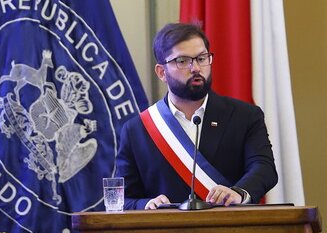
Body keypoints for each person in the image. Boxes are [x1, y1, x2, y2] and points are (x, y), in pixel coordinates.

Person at [114, 22, 278, 210]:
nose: (196, 68)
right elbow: (124, 200)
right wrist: (146, 205)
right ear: (161, 72)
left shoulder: (245, 116)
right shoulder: (137, 130)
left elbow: (264, 168)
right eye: (183, 61)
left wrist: (239, 192)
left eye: (202, 58)